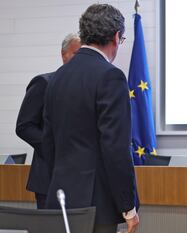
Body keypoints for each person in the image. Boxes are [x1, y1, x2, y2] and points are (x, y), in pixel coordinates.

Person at [42, 4, 139, 233]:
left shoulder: (57, 77)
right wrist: (128, 206)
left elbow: (48, 142)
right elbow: (115, 147)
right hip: (96, 204)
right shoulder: (111, 76)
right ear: (116, 37)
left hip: (60, 200)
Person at [15, 33, 81, 209]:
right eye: (76, 54)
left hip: (80, 180)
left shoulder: (86, 87)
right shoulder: (44, 83)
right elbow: (24, 126)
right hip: (49, 177)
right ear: (63, 54)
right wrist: (54, 145)